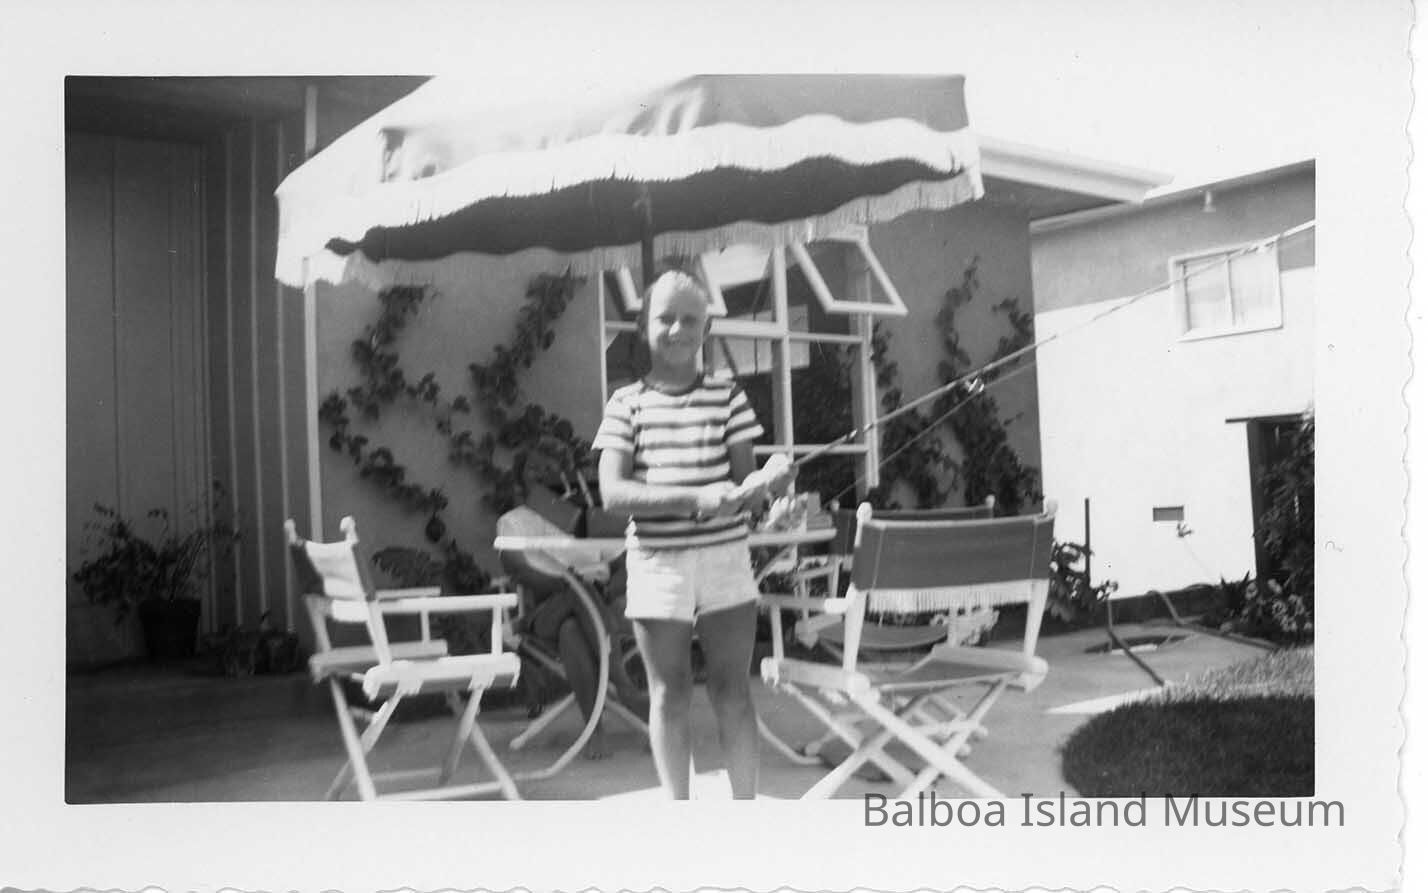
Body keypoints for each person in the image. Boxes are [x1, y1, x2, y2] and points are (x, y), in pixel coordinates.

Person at [594, 269, 793, 799]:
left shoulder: (729, 397)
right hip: (658, 564)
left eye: (690, 319)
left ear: (706, 329)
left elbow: (746, 490)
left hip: (725, 559)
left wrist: (770, 484)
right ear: (643, 326)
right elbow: (612, 493)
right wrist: (694, 498)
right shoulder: (625, 403)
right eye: (666, 318)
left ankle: (745, 815)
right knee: (670, 694)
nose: (678, 329)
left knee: (733, 692)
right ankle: (680, 820)